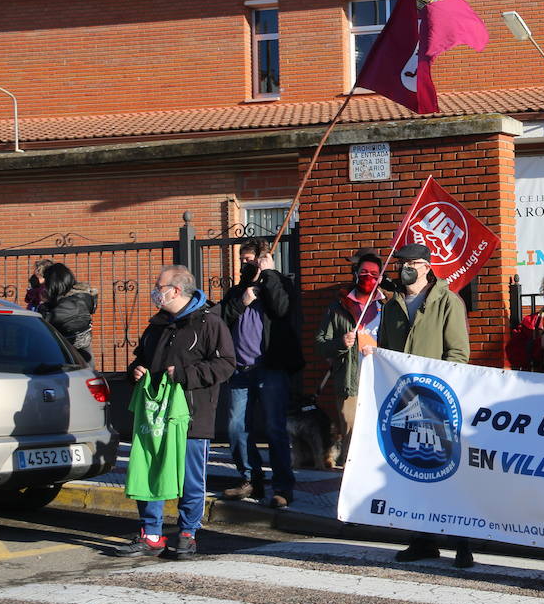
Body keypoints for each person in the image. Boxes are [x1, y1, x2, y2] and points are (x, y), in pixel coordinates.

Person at [115, 265, 235, 559]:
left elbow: (226, 364)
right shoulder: (156, 325)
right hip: (155, 416)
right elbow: (141, 358)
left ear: (176, 290)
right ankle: (151, 534)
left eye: (160, 287)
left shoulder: (209, 323)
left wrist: (185, 374)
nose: (155, 292)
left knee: (190, 478)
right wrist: (136, 370)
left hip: (191, 417)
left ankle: (187, 533)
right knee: (150, 472)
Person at [378, 244, 474, 568]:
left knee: (449, 472)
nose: (406, 268)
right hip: (405, 400)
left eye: (413, 263)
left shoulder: (448, 302)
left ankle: (463, 542)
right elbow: (385, 351)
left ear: (427, 267)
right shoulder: (392, 307)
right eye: (402, 263)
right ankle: (423, 539)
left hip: (437, 400)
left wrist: (438, 391)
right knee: (416, 469)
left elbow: (458, 353)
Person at [219, 239, 304, 508]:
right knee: (236, 427)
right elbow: (221, 319)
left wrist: (269, 275)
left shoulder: (279, 285)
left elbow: (282, 309)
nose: (244, 264)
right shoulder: (237, 291)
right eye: (241, 260)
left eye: (249, 260)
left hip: (270, 369)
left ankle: (282, 486)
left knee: (274, 428)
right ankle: (249, 479)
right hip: (240, 370)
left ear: (262, 260)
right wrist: (242, 301)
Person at [315, 252, 384, 468]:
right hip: (350, 380)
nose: (368, 277)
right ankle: (349, 481)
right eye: (363, 272)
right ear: (355, 273)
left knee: (381, 433)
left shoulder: (390, 304)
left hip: (382, 382)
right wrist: (339, 343)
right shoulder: (339, 306)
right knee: (352, 435)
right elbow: (320, 343)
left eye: (374, 273)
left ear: (381, 277)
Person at [36, 262, 96, 362]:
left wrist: (44, 305)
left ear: (55, 282)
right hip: (80, 354)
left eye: (47, 282)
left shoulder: (74, 303)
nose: (44, 285)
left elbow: (46, 322)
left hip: (72, 356)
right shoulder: (79, 297)